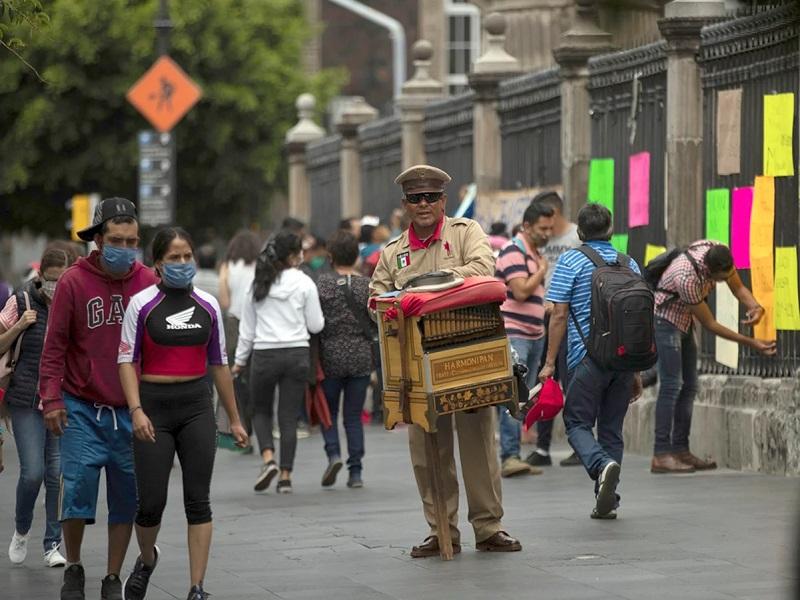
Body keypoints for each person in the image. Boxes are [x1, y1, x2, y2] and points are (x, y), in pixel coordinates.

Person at [370, 164, 521, 557]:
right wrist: (396, 302)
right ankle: (441, 530)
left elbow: (482, 268)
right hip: (415, 363)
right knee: (427, 452)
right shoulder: (393, 252)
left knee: (479, 445)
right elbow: (377, 299)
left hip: (466, 352)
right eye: (416, 198)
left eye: (431, 197)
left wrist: (426, 287)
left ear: (443, 200)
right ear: (405, 204)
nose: (424, 204)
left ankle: (488, 527)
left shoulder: (465, 232)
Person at [118, 227, 248, 600]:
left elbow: (219, 364)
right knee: (151, 504)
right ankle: (146, 559)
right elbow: (126, 361)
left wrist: (234, 419)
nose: (182, 263)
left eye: (187, 256)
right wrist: (136, 409)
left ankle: (197, 587)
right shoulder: (141, 304)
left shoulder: (208, 304)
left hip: (196, 406)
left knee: (198, 499)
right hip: (153, 407)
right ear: (157, 263)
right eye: (173, 258)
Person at [39, 198, 158, 600]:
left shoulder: (148, 282)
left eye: (132, 242)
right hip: (82, 407)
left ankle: (112, 576)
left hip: (131, 410)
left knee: (127, 496)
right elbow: (54, 346)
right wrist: (51, 399)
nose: (125, 249)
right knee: (76, 490)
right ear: (98, 241)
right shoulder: (73, 282)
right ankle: (74, 565)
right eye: (116, 241)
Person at [538, 203, 643, 520]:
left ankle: (600, 465)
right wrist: (636, 371)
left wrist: (549, 363)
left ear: (580, 232)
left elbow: (559, 316)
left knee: (576, 423)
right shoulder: (629, 263)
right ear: (610, 229)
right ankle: (606, 498)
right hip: (623, 361)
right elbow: (637, 322)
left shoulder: (570, 261)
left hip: (585, 359)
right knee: (611, 430)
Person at [650, 241, 776, 473]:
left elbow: (738, 288)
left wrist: (755, 307)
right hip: (665, 320)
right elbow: (710, 324)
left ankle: (681, 449)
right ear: (710, 272)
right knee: (671, 385)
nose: (724, 281)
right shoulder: (686, 277)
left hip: (684, 319)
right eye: (721, 279)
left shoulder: (718, 251)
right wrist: (752, 342)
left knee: (690, 385)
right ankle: (661, 454)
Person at [1, 244, 78, 568]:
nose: (55, 286)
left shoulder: (75, 304)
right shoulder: (21, 301)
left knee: (56, 474)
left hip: (61, 400)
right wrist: (20, 325)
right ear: (40, 275)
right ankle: (21, 530)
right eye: (50, 279)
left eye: (62, 280)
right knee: (32, 473)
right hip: (26, 400)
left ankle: (52, 544)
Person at [233, 230, 325, 494]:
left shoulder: (258, 282)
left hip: (264, 355)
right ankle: (286, 476)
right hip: (297, 354)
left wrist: (239, 362)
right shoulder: (305, 283)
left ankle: (268, 459)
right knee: (288, 416)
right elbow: (316, 325)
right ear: (295, 256)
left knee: (260, 410)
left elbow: (247, 330)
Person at [494, 202, 554, 477]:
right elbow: (520, 291)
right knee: (513, 395)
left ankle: (514, 454)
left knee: (524, 398)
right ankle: (509, 456)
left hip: (534, 334)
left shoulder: (533, 253)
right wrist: (542, 270)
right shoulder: (513, 251)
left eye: (550, 228)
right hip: (515, 333)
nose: (547, 233)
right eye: (543, 228)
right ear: (527, 226)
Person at [526, 190, 582, 468]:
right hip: (543, 317)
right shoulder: (538, 240)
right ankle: (542, 447)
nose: (545, 229)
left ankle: (579, 444)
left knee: (571, 383)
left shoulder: (575, 237)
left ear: (554, 213)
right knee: (544, 382)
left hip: (568, 318)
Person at [316, 230, 375, 489]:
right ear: (356, 256)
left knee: (328, 412)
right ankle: (356, 471)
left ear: (330, 256)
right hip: (361, 356)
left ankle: (333, 454)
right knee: (353, 416)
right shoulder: (367, 285)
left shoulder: (322, 285)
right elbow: (374, 320)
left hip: (330, 356)